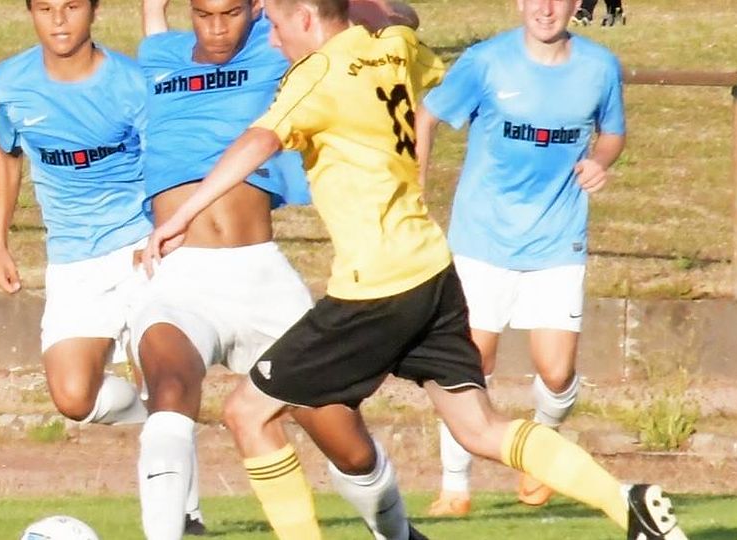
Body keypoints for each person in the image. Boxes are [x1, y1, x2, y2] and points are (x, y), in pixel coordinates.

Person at [149, 0, 688, 539]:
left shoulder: (317, 73)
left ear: (308, 19)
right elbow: (402, 20)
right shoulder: (392, 49)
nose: (271, 39)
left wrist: (182, 216)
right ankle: (627, 503)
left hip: (375, 289)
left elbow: (260, 140)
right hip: (432, 272)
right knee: (480, 427)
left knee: (248, 412)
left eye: (279, 25)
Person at [0, 1, 201, 533]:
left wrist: (162, 233)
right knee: (73, 397)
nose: (58, 20)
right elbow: (6, 156)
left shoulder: (131, 84)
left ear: (94, 10)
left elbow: (166, 164)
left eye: (71, 7)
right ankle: (160, 424)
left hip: (139, 248)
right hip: (72, 261)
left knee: (163, 376)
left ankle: (186, 512)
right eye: (45, 8)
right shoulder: (10, 83)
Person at [416, 0, 628, 516]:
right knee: (470, 363)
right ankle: (454, 486)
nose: (545, 9)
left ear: (575, 5)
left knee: (556, 373)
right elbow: (427, 115)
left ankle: (540, 453)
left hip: (557, 238)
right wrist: (414, 190)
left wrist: (600, 160)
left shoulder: (599, 66)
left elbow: (613, 132)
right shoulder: (486, 61)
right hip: (482, 238)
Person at [129, 0, 319, 538]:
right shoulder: (158, 54)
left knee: (334, 419)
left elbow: (395, 19)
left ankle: (394, 528)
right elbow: (154, 17)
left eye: (231, 12)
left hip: (259, 273)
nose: (216, 28)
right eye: (202, 13)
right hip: (180, 272)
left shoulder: (276, 41)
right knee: (169, 388)